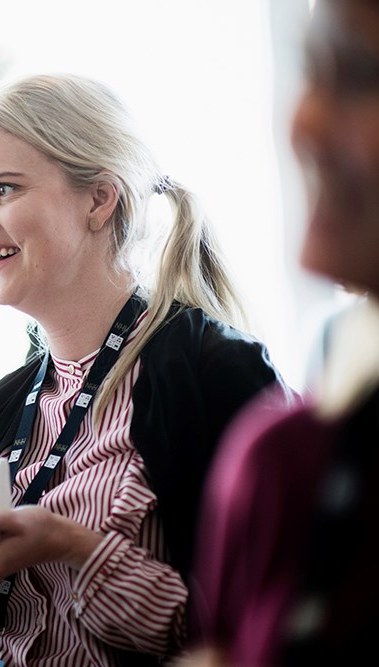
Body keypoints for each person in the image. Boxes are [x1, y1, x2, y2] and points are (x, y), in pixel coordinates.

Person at [0, 74, 289, 666]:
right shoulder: (3, 404)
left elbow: (266, 626)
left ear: (98, 199)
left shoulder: (213, 371)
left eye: (4, 189)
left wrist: (70, 547)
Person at [186, 1, 379, 664]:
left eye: (360, 76)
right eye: (311, 73)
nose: (304, 121)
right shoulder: (282, 461)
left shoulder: (224, 380)